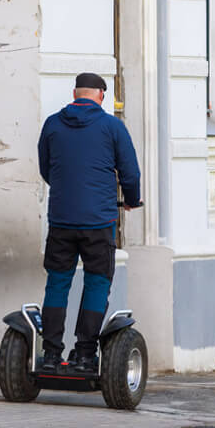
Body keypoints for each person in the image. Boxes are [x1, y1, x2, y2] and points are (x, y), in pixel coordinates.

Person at [37, 73, 141, 372]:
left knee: (57, 283)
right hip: (99, 222)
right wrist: (131, 199)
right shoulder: (112, 126)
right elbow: (130, 173)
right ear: (101, 96)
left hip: (61, 220)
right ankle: (85, 355)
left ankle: (52, 355)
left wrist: (65, 190)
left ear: (74, 94)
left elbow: (47, 168)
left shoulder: (53, 124)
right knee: (96, 283)